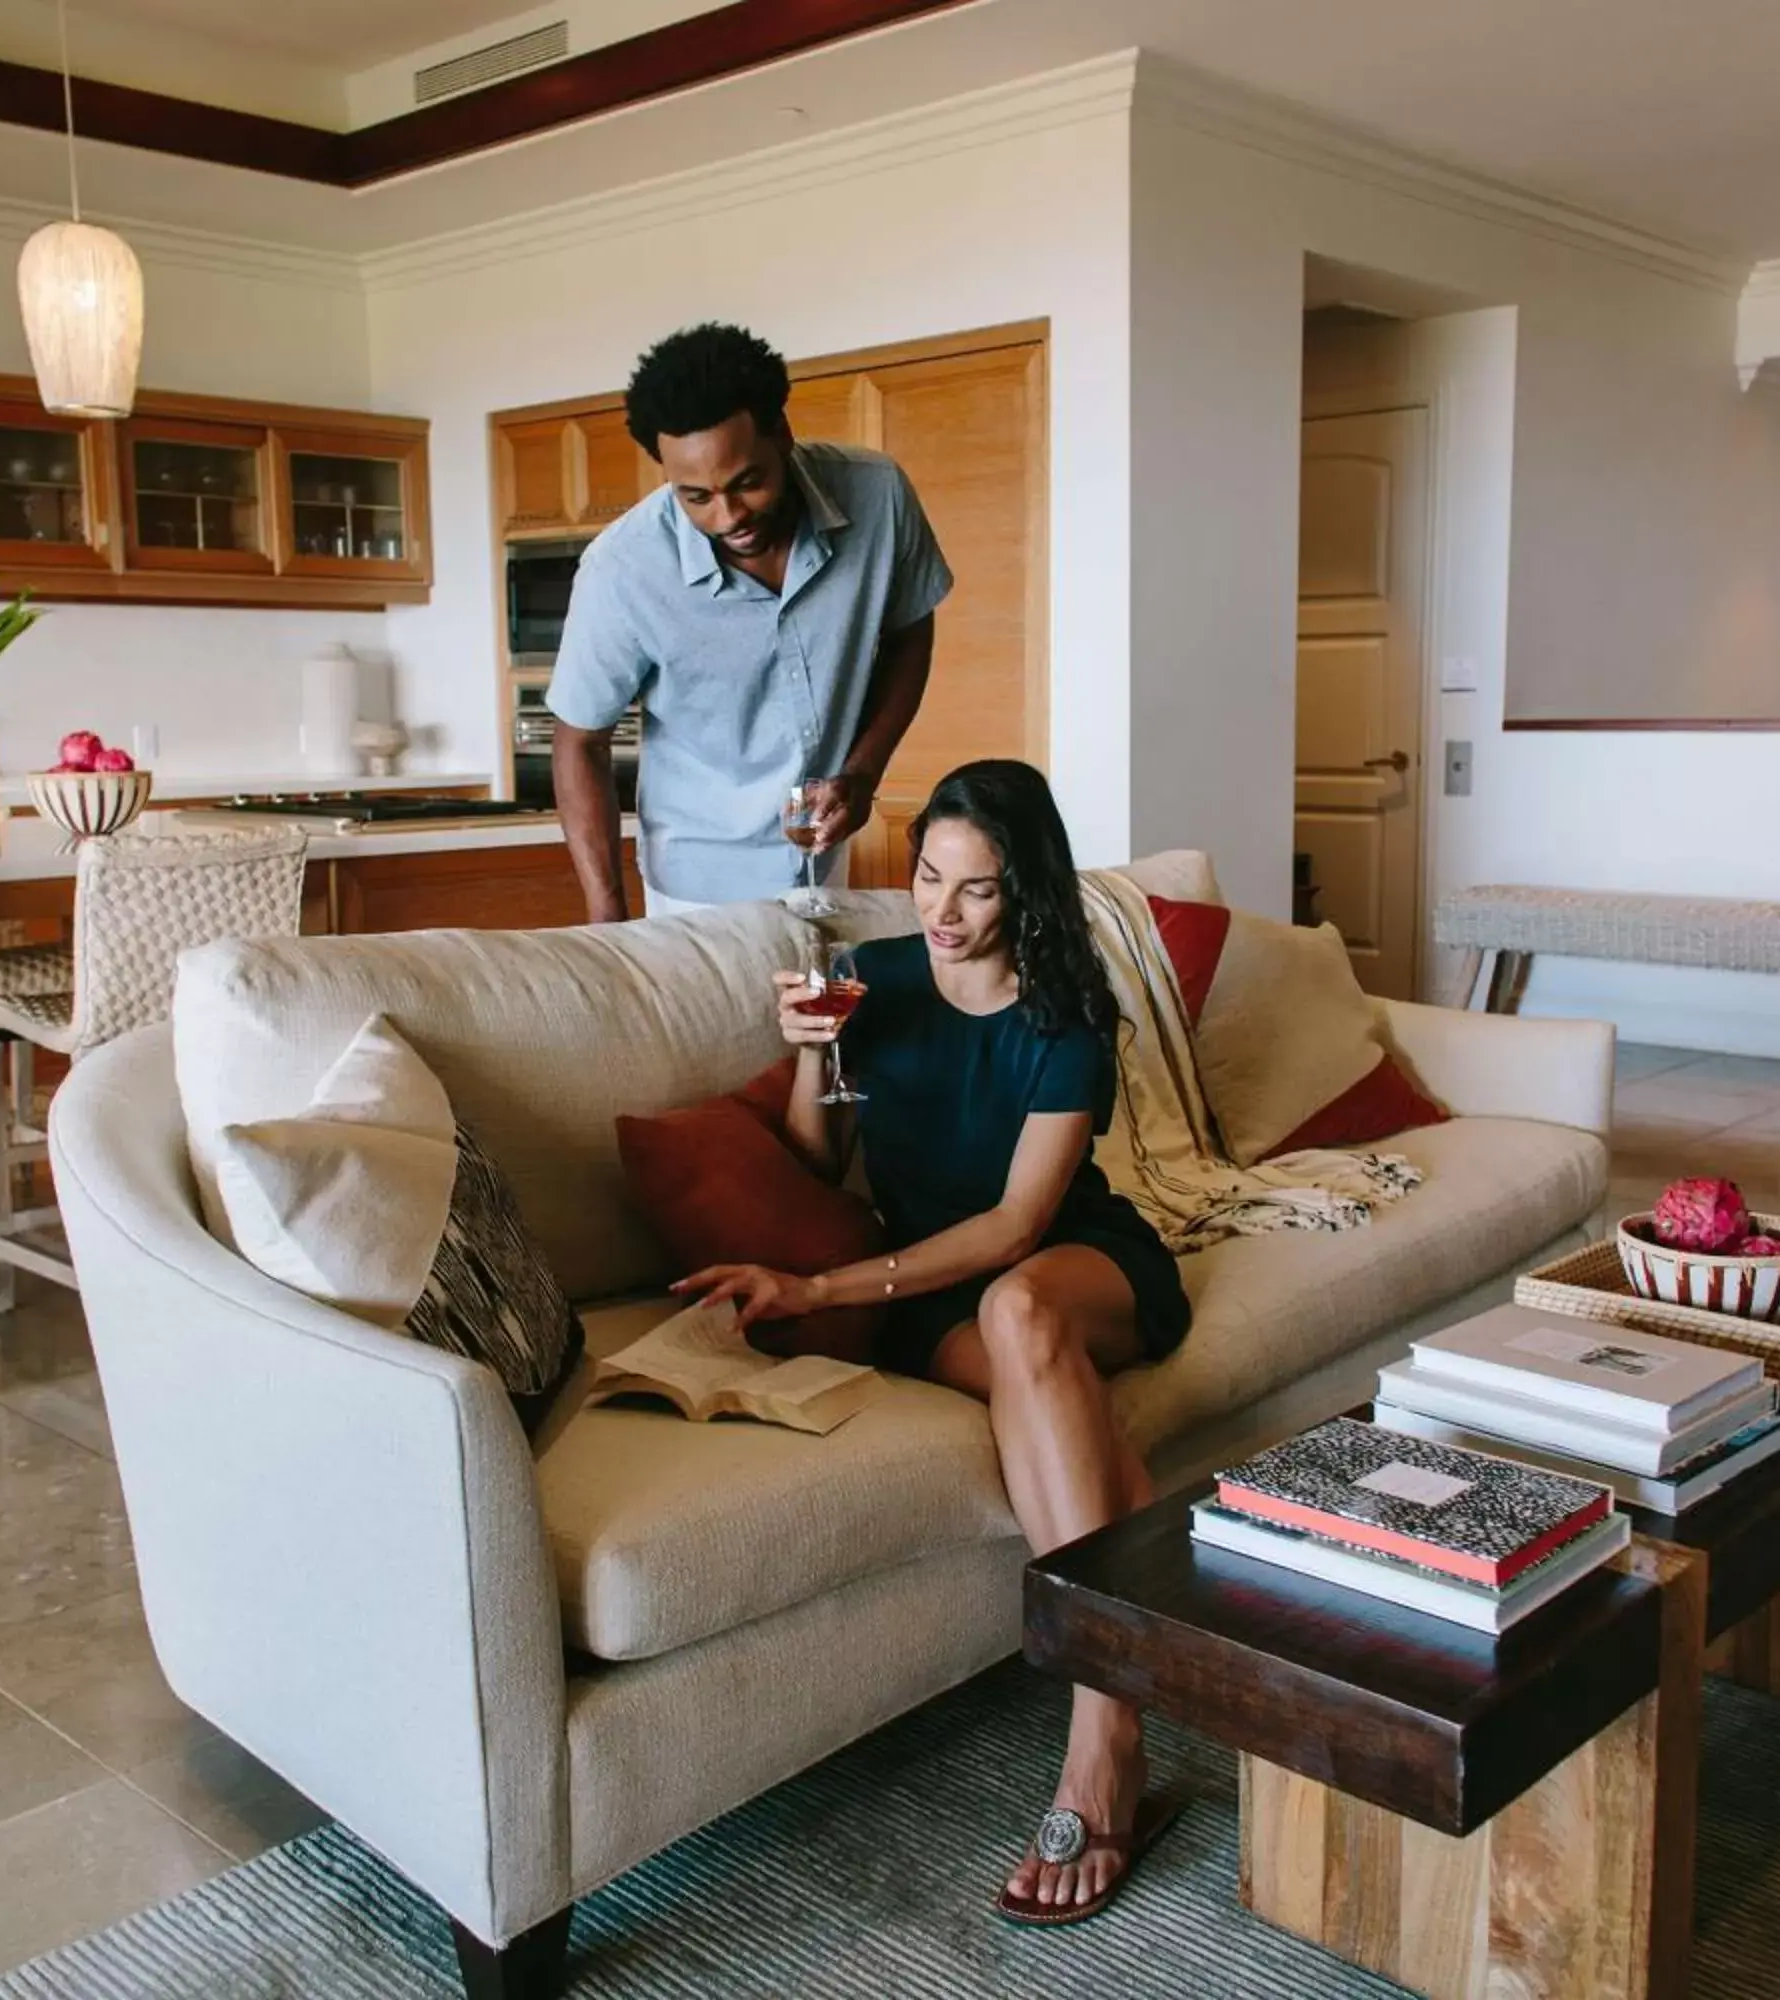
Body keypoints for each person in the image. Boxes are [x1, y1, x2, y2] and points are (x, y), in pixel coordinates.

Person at [676, 759, 1192, 1925]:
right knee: (1053, 1403)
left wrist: (814, 1288)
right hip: (930, 1299)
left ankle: (1101, 1731)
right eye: (925, 876)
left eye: (977, 891)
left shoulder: (1068, 1016)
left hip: (1076, 1263)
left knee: (1024, 1315)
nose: (940, 913)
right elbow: (819, 1164)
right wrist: (811, 1049)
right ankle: (1171, 1618)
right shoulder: (871, 975)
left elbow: (1017, 1226)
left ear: (1031, 895)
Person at [548, 322, 950, 921]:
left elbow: (910, 630)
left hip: (821, 859)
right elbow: (580, 740)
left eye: (748, 482)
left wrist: (864, 772)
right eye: (695, 497)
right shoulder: (623, 570)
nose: (728, 515)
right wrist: (608, 923)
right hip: (694, 884)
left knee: (821, 1017)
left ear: (783, 434)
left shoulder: (878, 495)